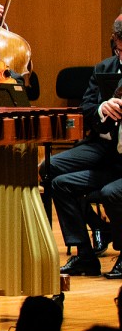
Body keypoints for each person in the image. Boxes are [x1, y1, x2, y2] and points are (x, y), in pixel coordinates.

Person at [44, 15, 122, 277]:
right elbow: (86, 108)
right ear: (114, 44)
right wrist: (103, 107)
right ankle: (85, 253)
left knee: (109, 190)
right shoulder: (104, 69)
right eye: (120, 51)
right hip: (101, 147)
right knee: (51, 171)